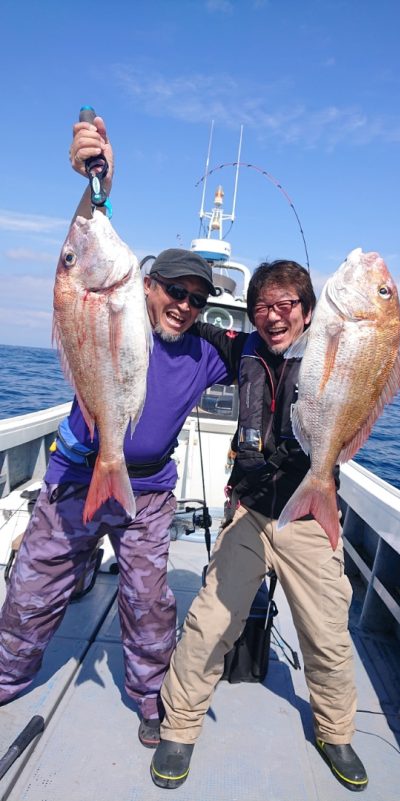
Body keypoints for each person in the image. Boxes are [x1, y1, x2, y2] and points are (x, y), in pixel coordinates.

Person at [0, 115, 236, 749]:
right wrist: (96, 184)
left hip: (151, 493)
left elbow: (271, 350)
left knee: (149, 601)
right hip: (78, 476)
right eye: (175, 291)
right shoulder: (118, 303)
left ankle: (148, 696)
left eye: (198, 298)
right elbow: (85, 243)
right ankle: (6, 674)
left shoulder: (207, 352)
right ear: (147, 285)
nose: (185, 305)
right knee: (32, 585)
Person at [150, 259, 369, 792]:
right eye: (262, 307)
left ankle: (335, 731)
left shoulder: (332, 352)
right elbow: (183, 323)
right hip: (249, 509)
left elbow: (371, 355)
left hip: (311, 516)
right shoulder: (241, 348)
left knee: (328, 636)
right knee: (207, 624)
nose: (272, 317)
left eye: (286, 305)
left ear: (309, 310)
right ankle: (179, 724)